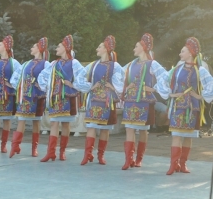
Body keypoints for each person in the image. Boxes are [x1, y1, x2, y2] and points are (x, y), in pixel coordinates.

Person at [156, 37, 213, 175]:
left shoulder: (200, 70)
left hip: (192, 108)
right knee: (176, 135)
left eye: (182, 51)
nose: (180, 54)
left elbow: (212, 85)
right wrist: (171, 95)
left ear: (190, 53)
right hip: (177, 107)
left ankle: (183, 164)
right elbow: (162, 82)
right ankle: (174, 164)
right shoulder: (176, 70)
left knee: (188, 136)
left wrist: (199, 96)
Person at [120, 34, 168, 169]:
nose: (134, 48)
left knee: (142, 130)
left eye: (136, 46)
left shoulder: (152, 63)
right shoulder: (131, 64)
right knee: (129, 128)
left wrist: (153, 89)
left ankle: (139, 159)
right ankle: (128, 159)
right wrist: (126, 86)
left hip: (145, 101)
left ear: (143, 47)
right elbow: (118, 75)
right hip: (131, 99)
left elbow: (165, 76)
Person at [75, 36, 124, 166]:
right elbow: (79, 77)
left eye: (100, 46)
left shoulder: (115, 66)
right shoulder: (93, 65)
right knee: (91, 126)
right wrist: (91, 86)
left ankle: (100, 155)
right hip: (94, 99)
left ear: (106, 49)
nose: (97, 48)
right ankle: (87, 155)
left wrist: (113, 87)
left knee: (105, 129)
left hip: (108, 102)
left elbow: (123, 81)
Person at [37, 35, 87, 161]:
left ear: (65, 48)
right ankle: (51, 152)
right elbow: (43, 75)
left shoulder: (74, 63)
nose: (56, 48)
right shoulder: (54, 63)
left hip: (68, 96)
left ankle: (62, 151)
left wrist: (74, 84)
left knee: (65, 124)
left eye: (59, 46)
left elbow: (83, 75)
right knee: (54, 122)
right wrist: (47, 87)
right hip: (56, 97)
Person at [9, 38, 49, 157]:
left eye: (33, 46)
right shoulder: (26, 63)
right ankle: (15, 145)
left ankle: (34, 148)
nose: (31, 48)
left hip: (38, 96)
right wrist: (20, 87)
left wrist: (42, 86)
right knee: (21, 118)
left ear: (39, 49)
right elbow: (15, 78)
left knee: (36, 121)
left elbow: (49, 77)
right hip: (25, 96)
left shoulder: (46, 63)